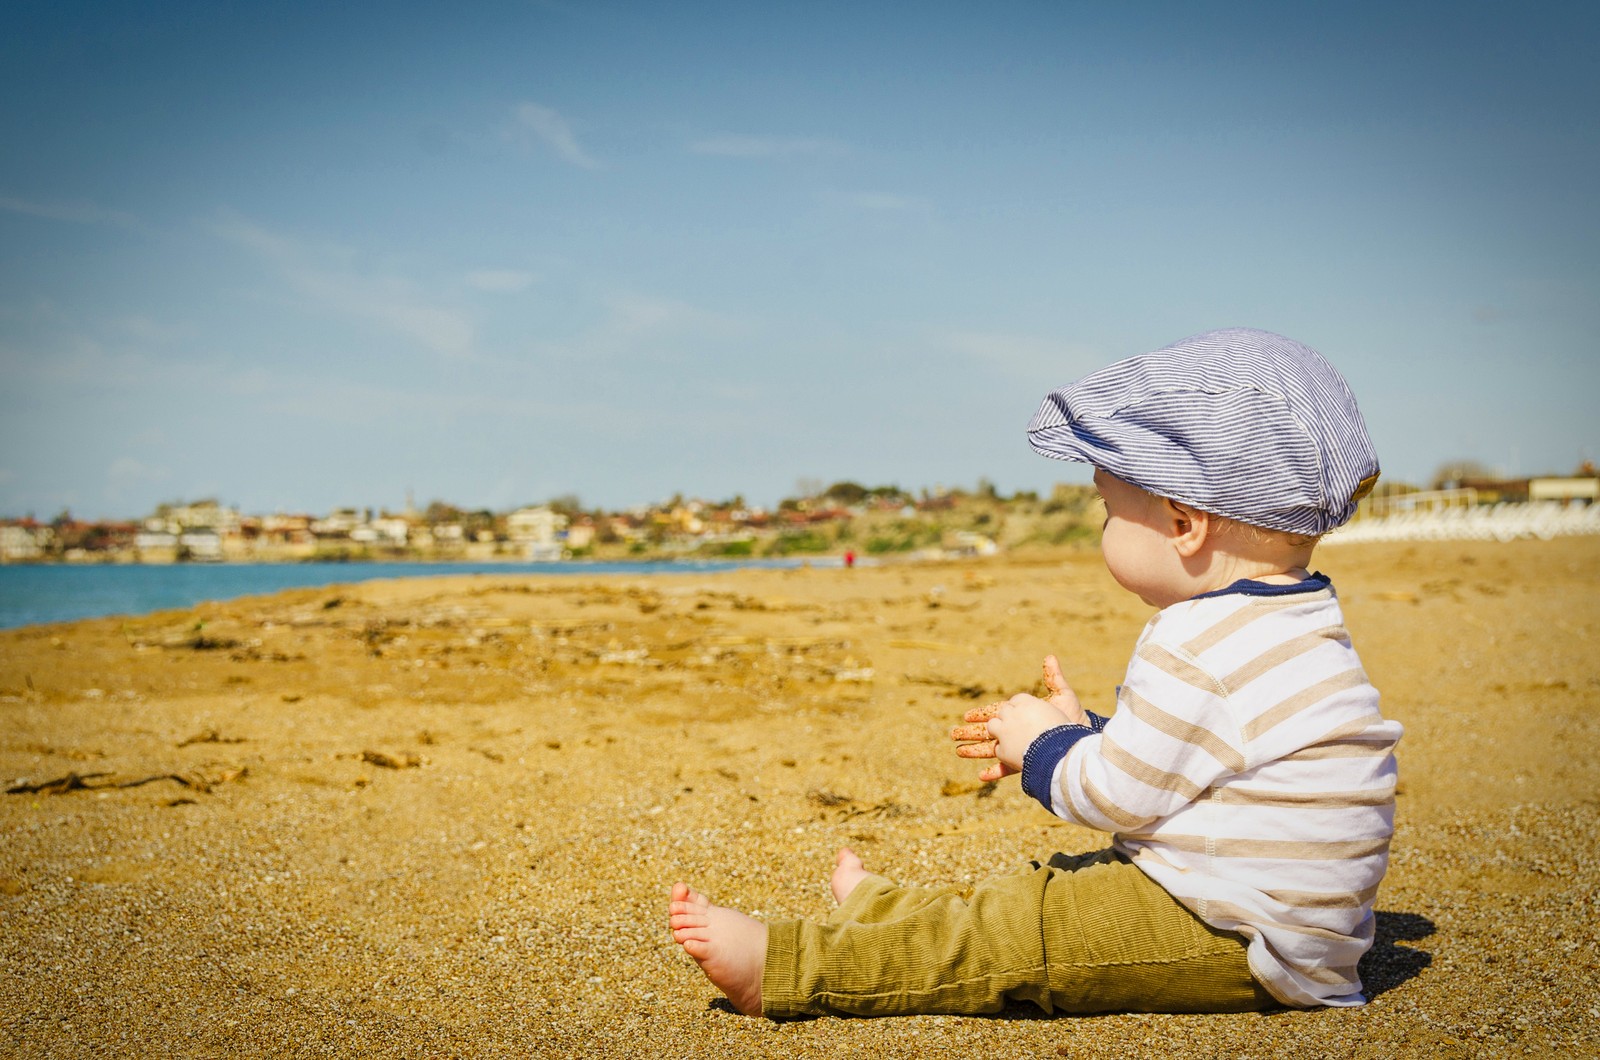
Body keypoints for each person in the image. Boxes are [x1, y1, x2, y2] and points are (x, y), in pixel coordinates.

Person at [669, 327, 1402, 1018]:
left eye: (1110, 511)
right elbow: (1202, 761)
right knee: (1051, 886)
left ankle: (790, 967)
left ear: (1184, 524)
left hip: (1236, 936)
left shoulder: (1193, 638)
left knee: (1023, 931)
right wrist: (1087, 731)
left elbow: (1119, 799)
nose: (1104, 528)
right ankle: (888, 913)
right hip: (1286, 923)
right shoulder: (1301, 619)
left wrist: (1042, 750)